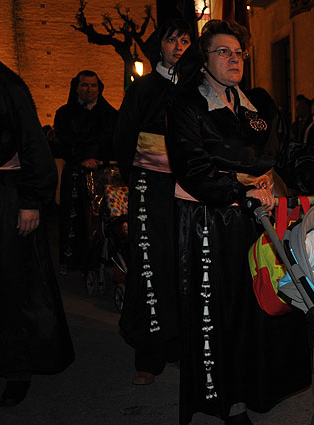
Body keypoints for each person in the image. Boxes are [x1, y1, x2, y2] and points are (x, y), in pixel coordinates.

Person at [165, 20, 314, 425]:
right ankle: (226, 399)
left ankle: (257, 389)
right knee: (223, 308)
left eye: (238, 52)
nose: (234, 59)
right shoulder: (187, 106)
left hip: (258, 216)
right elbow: (190, 165)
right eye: (223, 52)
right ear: (204, 60)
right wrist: (236, 189)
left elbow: (288, 152)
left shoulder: (259, 104)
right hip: (210, 220)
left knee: (262, 304)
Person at [114, 18, 193, 386]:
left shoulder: (196, 87)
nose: (179, 47)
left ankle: (181, 345)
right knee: (151, 264)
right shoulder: (143, 87)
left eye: (186, 40)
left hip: (189, 186)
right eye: (172, 40)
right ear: (159, 46)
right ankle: (149, 354)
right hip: (150, 187)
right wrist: (141, 180)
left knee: (185, 262)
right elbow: (124, 137)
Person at [0, 60, 75, 407]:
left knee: (16, 283)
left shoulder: (8, 85)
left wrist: (31, 199)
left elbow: (32, 142)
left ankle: (18, 368)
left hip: (9, 195)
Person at [54, 70, 117, 275]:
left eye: (93, 85)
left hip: (103, 174)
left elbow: (114, 141)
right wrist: (82, 158)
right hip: (76, 173)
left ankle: (102, 262)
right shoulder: (64, 113)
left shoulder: (110, 115)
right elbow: (63, 141)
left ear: (99, 88)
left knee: (103, 220)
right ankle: (73, 261)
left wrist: (102, 159)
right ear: (77, 87)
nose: (89, 89)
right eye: (85, 85)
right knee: (75, 218)